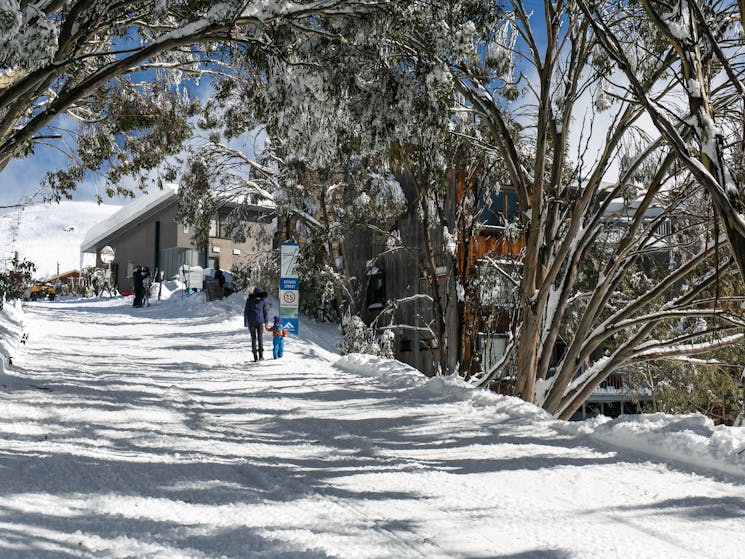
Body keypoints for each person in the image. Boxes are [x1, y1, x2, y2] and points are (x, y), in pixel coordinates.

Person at [243, 286, 268, 361]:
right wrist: (246, 322)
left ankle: (261, 356)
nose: (259, 298)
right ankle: (255, 356)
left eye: (260, 296)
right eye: (258, 296)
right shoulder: (249, 300)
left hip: (260, 322)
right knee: (253, 339)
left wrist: (266, 321)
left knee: (260, 338)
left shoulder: (263, 301)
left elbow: (265, 311)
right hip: (251, 323)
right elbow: (246, 312)